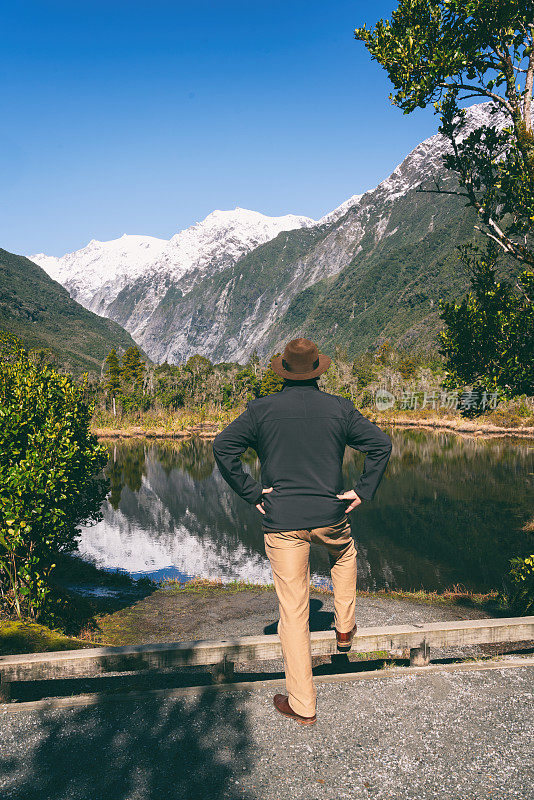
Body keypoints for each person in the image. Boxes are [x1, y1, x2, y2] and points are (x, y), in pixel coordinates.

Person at [212, 338, 392, 725]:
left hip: (283, 522)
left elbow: (224, 446)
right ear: (317, 370)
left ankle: (303, 705)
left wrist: (250, 491)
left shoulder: (260, 411)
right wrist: (362, 490)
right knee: (344, 555)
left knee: (293, 614)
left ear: (284, 371)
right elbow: (380, 444)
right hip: (330, 513)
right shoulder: (339, 408)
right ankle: (345, 629)